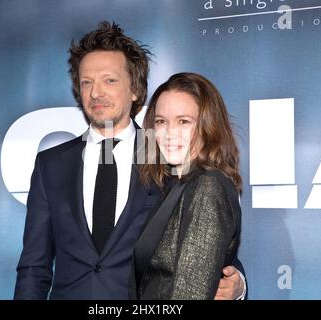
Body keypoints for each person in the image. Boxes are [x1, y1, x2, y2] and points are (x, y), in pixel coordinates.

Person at [14, 21, 245, 300]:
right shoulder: (50, 164)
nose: (96, 92)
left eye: (109, 80)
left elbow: (204, 236)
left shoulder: (166, 153)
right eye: (87, 82)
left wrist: (237, 282)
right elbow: (33, 267)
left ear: (136, 89)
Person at [132, 72, 243, 299]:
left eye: (184, 121)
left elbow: (189, 293)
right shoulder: (175, 183)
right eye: (161, 121)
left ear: (208, 126)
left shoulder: (207, 186)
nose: (170, 133)